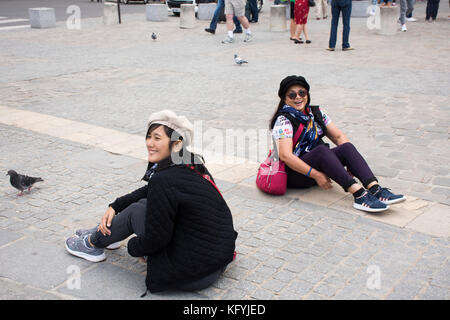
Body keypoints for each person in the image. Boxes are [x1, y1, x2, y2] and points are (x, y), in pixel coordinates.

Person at [65, 110, 238, 294]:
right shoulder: (191, 163)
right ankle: (110, 232)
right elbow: (150, 191)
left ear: (177, 144)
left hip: (190, 274)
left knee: (137, 211)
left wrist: (134, 247)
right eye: (148, 137)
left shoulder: (165, 178)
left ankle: (92, 243)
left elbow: (157, 239)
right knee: (140, 205)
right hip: (215, 262)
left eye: (157, 138)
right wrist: (115, 206)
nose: (150, 143)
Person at [269, 75, 406, 213]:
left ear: (307, 94)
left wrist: (352, 164)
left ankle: (375, 189)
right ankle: (359, 195)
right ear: (285, 99)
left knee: (347, 147)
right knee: (321, 151)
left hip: (319, 162)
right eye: (292, 95)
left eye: (302, 93)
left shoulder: (315, 113)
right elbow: (285, 156)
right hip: (295, 173)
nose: (298, 97)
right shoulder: (283, 120)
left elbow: (339, 136)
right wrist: (316, 175)